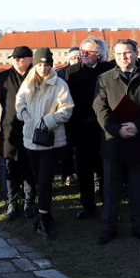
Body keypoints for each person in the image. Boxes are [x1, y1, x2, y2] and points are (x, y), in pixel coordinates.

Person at [93, 39, 140, 245]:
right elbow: (100, 109)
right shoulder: (104, 78)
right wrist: (116, 130)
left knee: (139, 190)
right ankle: (109, 228)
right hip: (113, 142)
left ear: (136, 53)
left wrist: (138, 126)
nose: (123, 57)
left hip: (139, 140)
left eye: (127, 53)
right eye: (118, 54)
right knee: (110, 190)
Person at [15, 47, 74, 239]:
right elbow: (19, 101)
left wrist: (49, 121)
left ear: (51, 65)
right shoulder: (28, 82)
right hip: (31, 139)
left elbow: (67, 109)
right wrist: (24, 115)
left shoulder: (59, 85)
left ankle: (44, 218)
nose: (43, 68)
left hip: (52, 141)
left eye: (46, 65)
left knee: (45, 181)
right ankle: (44, 213)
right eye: (40, 65)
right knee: (37, 179)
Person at [65, 37, 113, 218]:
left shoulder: (107, 70)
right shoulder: (72, 72)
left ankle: (107, 204)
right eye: (81, 51)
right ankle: (87, 205)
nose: (83, 55)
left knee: (104, 169)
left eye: (88, 52)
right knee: (84, 169)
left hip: (103, 127)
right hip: (80, 128)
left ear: (98, 55)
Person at [0, 46, 37, 220]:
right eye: (13, 58)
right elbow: (2, 99)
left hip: (31, 127)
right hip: (10, 128)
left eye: (19, 58)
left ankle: (29, 202)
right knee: (10, 168)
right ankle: (12, 203)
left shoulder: (36, 75)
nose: (15, 61)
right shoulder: (4, 76)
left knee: (29, 167)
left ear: (28, 59)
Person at [56, 46, 81, 186]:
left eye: (78, 57)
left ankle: (79, 174)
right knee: (66, 148)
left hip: (81, 116)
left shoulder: (85, 72)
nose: (76, 60)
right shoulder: (61, 74)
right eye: (73, 58)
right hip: (65, 116)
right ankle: (66, 175)